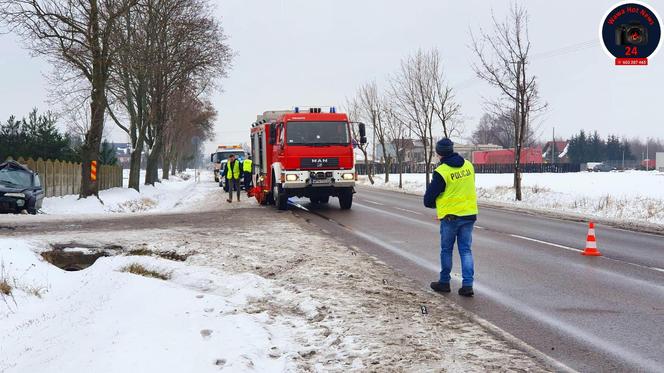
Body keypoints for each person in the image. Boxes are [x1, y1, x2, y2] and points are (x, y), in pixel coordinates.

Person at [424, 138, 478, 297]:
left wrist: (438, 205)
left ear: (438, 152)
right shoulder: (469, 166)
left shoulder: (442, 172)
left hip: (450, 218)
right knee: (466, 250)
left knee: (446, 250)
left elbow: (428, 200)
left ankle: (444, 282)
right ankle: (468, 285)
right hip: (469, 215)